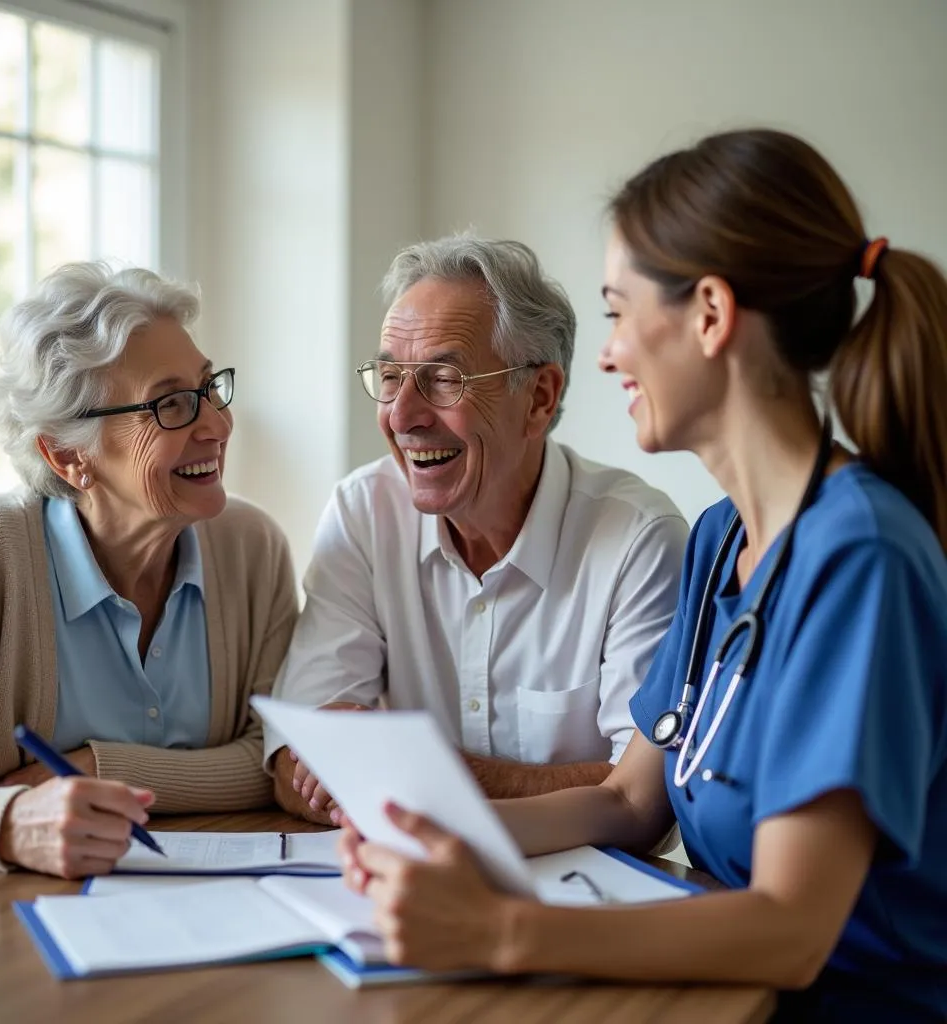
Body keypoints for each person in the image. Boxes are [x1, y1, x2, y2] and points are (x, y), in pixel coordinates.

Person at [338, 130, 947, 1023]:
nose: (609, 355)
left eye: (619, 313)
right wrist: (443, 840)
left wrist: (500, 931)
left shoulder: (859, 558)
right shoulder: (719, 540)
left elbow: (792, 927)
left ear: (709, 315)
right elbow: (629, 800)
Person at [266, 237, 688, 825]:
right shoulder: (364, 511)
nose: (402, 415)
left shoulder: (640, 540)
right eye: (390, 377)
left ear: (539, 398)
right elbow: (292, 757)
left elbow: (645, 798)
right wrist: (323, 765)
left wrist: (424, 772)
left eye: (443, 378)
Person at [0, 263, 298, 878]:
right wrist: (11, 823)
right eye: (172, 404)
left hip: (209, 901)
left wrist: (100, 767)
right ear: (68, 456)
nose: (218, 425)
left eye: (210, 388)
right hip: (4, 917)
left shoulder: (251, 548)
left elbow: (271, 758)